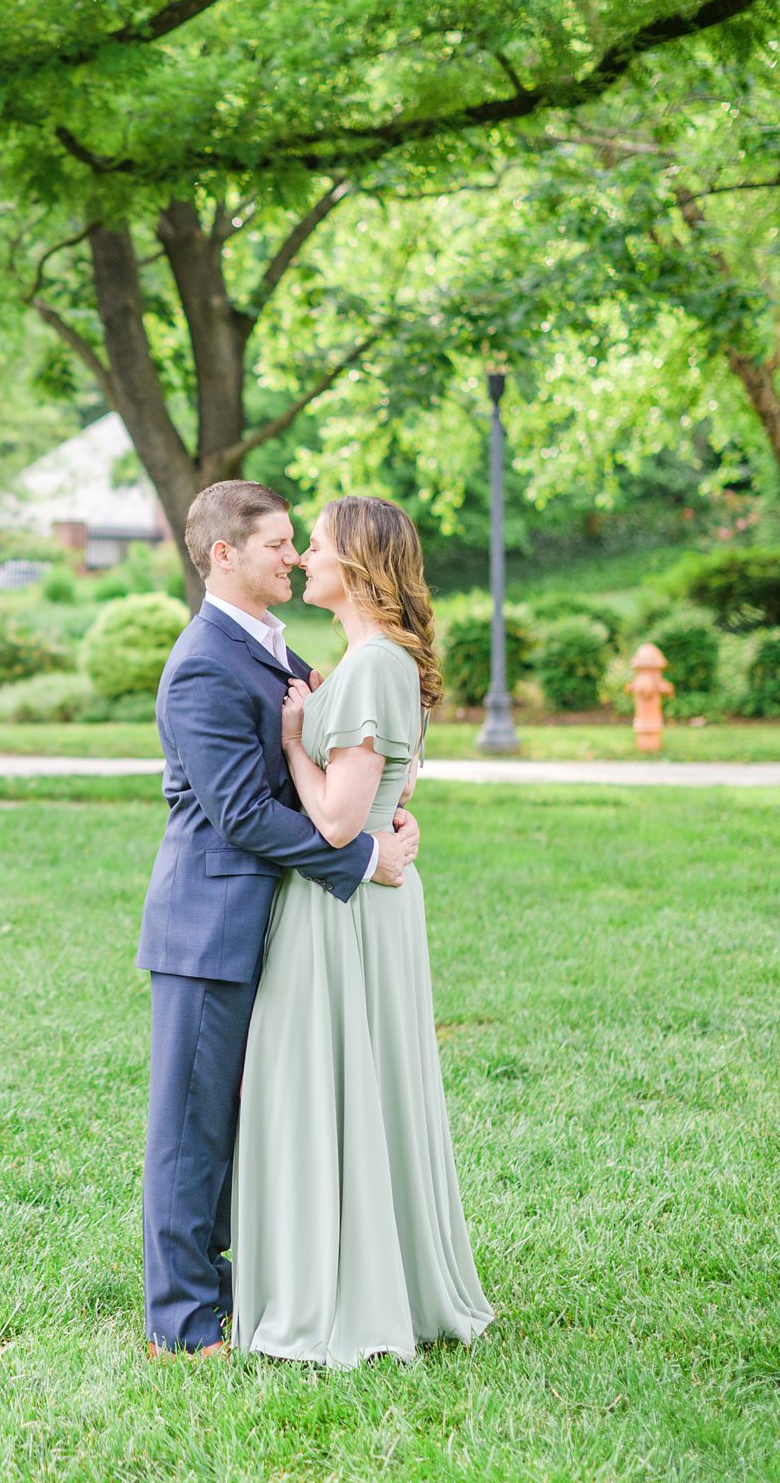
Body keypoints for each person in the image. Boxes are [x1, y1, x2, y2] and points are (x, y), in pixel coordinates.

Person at [138, 480, 418, 1358]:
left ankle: (238, 1286)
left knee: (246, 1121)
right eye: (278, 545)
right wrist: (363, 855)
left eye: (300, 542)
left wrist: (386, 814)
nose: (295, 557)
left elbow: (346, 757)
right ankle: (181, 1325)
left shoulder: (276, 651)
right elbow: (240, 813)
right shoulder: (201, 663)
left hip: (274, 925)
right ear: (225, 554)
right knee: (191, 1129)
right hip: (210, 927)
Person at [229, 495, 494, 1367]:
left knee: (329, 1083)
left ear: (360, 563)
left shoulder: (375, 663)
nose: (303, 556)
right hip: (362, 903)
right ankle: (361, 1273)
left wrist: (297, 739)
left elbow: (341, 822)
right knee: (346, 1086)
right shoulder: (369, 659)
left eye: (317, 545)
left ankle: (349, 1291)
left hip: (345, 908)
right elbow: (384, 805)